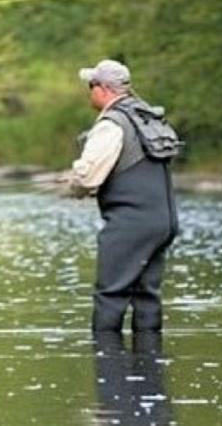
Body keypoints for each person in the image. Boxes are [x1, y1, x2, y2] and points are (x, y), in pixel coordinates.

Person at [68, 59, 179, 333]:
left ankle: (108, 364)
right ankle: (149, 368)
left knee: (110, 295)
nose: (89, 92)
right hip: (163, 223)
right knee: (146, 296)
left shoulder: (111, 124)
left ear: (104, 89)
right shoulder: (146, 116)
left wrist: (73, 185)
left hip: (130, 224)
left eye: (91, 86)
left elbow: (87, 178)